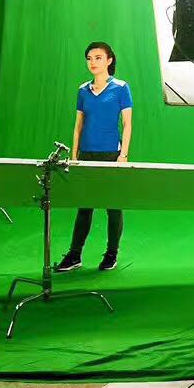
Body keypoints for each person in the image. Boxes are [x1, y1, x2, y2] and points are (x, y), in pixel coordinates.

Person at [55, 42, 132, 273]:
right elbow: (78, 126)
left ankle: (111, 254)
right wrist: (75, 156)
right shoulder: (83, 90)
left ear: (109, 60)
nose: (93, 62)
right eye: (89, 58)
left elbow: (127, 124)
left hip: (111, 154)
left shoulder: (121, 88)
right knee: (84, 207)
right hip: (86, 155)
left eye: (98, 57)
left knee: (113, 206)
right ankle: (74, 255)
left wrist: (123, 155)